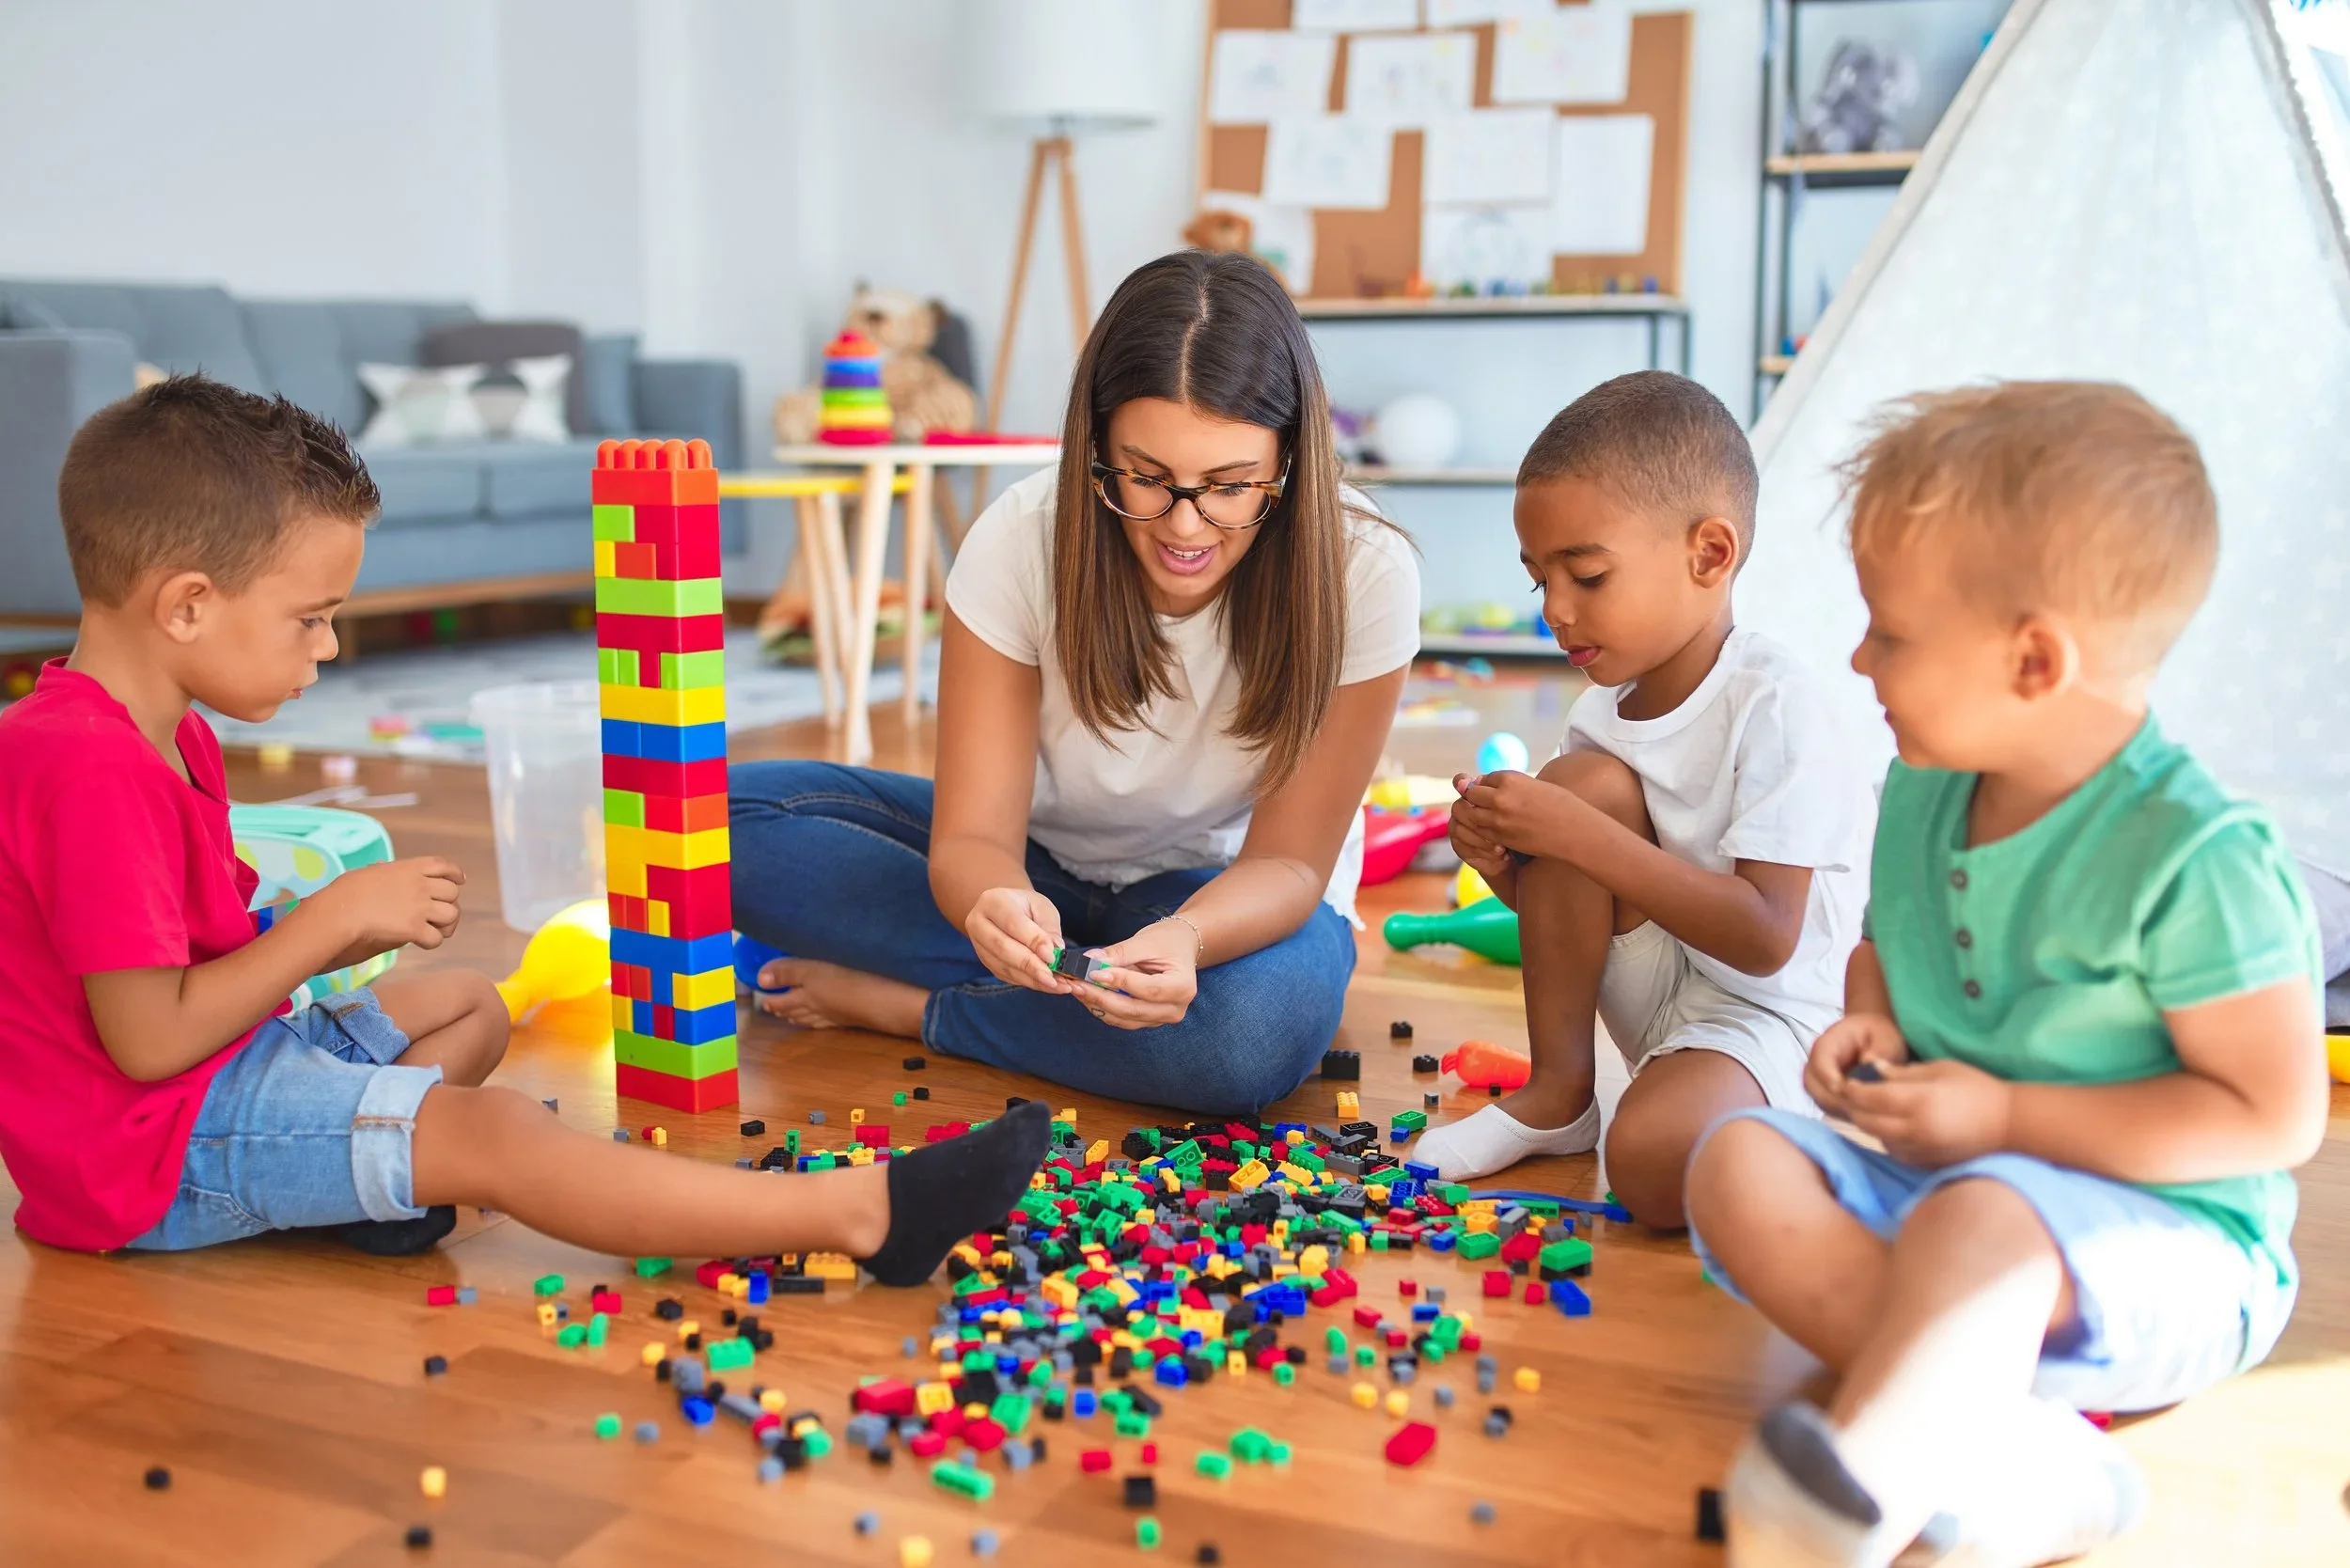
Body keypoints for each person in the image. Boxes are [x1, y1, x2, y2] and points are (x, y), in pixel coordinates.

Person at [0, 376, 1048, 1278]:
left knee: (469, 1007)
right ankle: (865, 1216)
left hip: (217, 1077)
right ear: (185, 606)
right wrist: (328, 919)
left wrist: (328, 930)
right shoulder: (85, 767)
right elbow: (147, 1044)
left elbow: (190, 939)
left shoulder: (168, 734)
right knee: (497, 1131)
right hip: (145, 1154)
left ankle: (359, 1179)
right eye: (310, 619)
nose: (323, 650)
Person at [1684, 383, 2326, 1567]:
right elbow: (1886, 945)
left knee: (1983, 1217)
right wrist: (1863, 1024)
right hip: (1953, 1198)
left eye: (1892, 632)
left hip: (2167, 1247)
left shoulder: (2194, 858)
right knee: (1734, 1156)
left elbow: (2273, 1116)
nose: (1856, 653)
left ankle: (1858, 1493)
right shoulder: (1925, 782)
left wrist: (2007, 1115)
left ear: (2033, 661)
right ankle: (2013, 1453)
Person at [729, 251, 1419, 1116]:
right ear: (1095, 445)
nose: (1185, 527)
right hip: (1041, 873)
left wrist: (1185, 938)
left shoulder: (1366, 569)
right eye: (1147, 477)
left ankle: (924, 1010)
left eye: (1233, 488)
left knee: (1241, 1043)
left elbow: (1286, 862)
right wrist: (993, 902)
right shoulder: (1020, 539)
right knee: (707, 826)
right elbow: (975, 835)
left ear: (1289, 461)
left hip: (1221, 897)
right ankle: (1067, 997)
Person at [1420, 371, 1873, 1221]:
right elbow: (1570, 914)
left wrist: (1572, 833)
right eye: (1538, 581)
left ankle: (1798, 1126)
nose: (1555, 610)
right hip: (1664, 996)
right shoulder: (1604, 712)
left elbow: (1767, 937)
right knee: (1580, 786)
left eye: (1587, 575)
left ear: (1710, 553)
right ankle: (1558, 1097)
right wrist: (1505, 860)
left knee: (1655, 1165)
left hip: (1774, 1017)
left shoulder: (1778, 706)